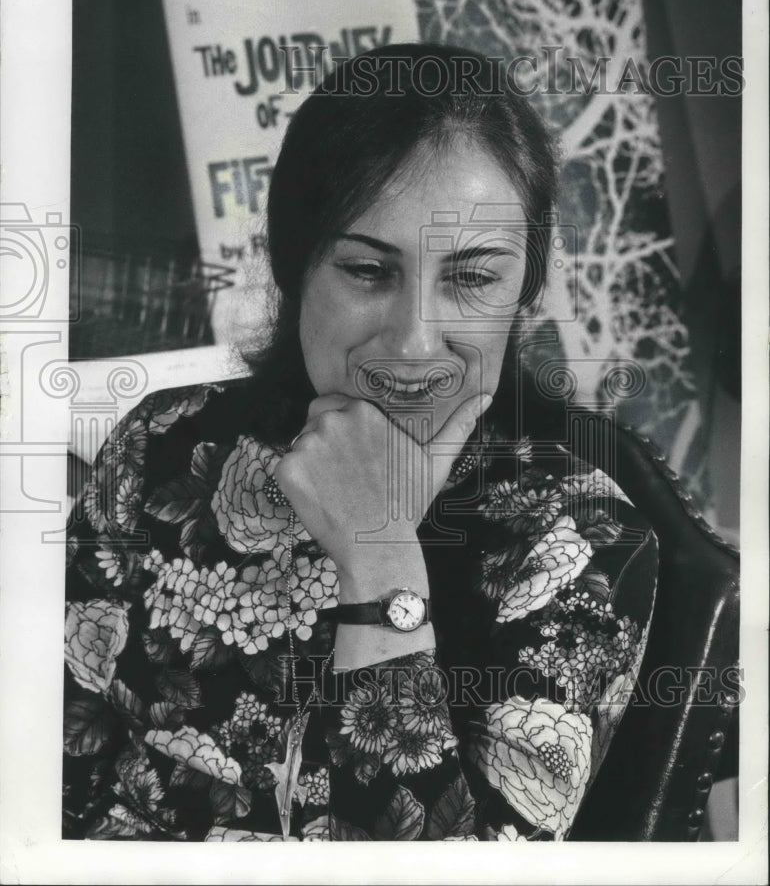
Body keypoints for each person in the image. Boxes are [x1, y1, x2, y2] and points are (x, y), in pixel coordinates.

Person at [63, 44, 658, 842]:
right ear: (293, 260)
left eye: (473, 277)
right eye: (369, 271)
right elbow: (51, 764)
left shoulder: (576, 542)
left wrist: (380, 565)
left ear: (526, 290)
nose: (415, 343)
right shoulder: (158, 446)